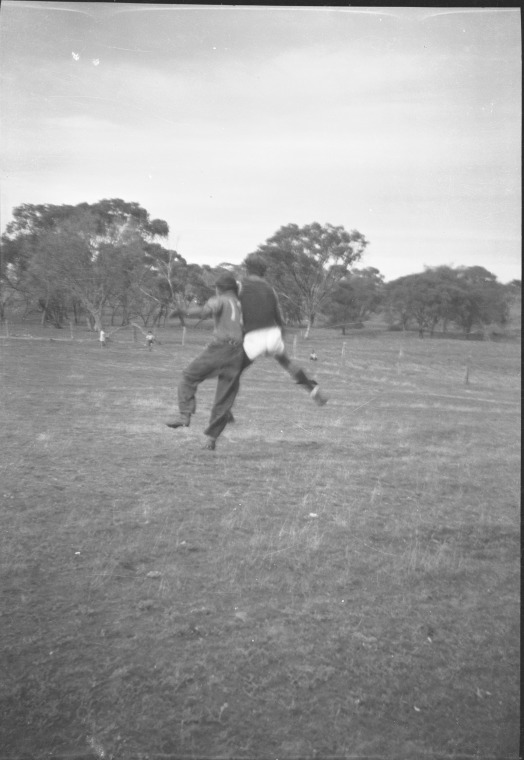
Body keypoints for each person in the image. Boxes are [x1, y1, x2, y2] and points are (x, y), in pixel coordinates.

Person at [165, 273, 244, 450]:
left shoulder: (220, 299)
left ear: (220, 288)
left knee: (188, 377)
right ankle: (211, 440)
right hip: (239, 353)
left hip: (221, 348)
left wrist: (182, 311)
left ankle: (184, 416)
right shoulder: (242, 305)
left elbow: (204, 311)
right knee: (224, 398)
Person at [238, 254, 328, 405]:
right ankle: (312, 390)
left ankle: (225, 411)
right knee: (287, 363)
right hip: (273, 334)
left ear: (247, 268)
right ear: (263, 271)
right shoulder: (270, 289)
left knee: (234, 371)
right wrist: (280, 336)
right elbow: (279, 318)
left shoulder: (241, 286)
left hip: (254, 336)